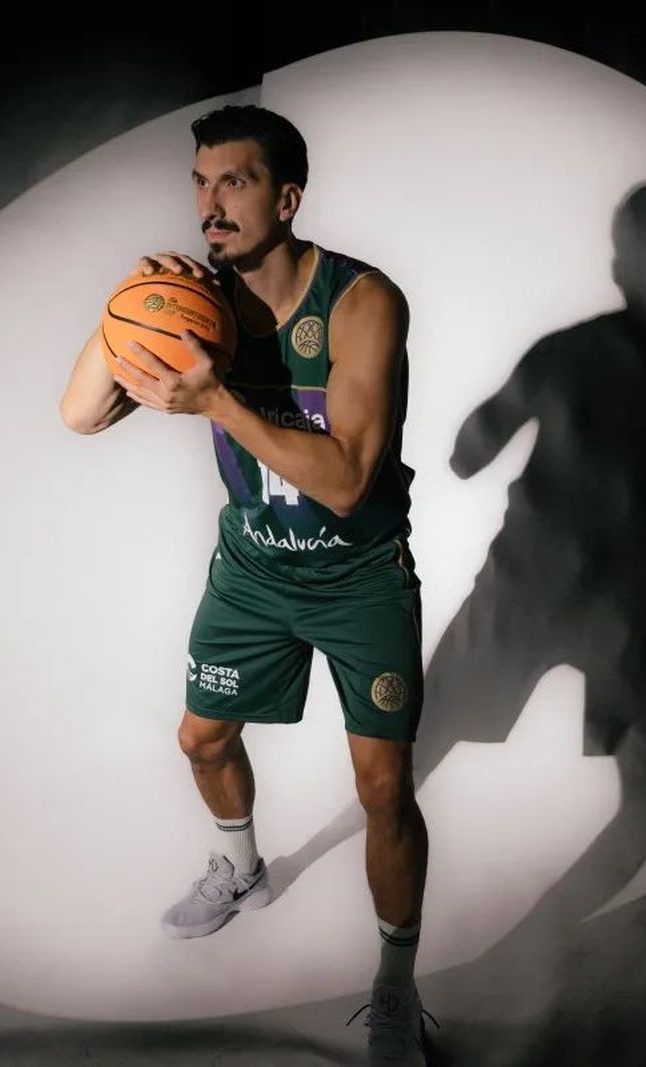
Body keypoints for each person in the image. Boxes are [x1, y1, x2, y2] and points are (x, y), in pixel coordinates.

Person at [58, 104, 433, 1064]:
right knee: (201, 735)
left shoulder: (360, 302)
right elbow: (81, 416)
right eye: (200, 182)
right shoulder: (200, 301)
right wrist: (126, 305)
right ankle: (240, 864)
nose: (210, 204)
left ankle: (395, 986)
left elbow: (350, 481)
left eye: (235, 181)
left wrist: (218, 396)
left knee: (383, 786)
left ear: (287, 196)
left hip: (358, 574)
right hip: (255, 569)